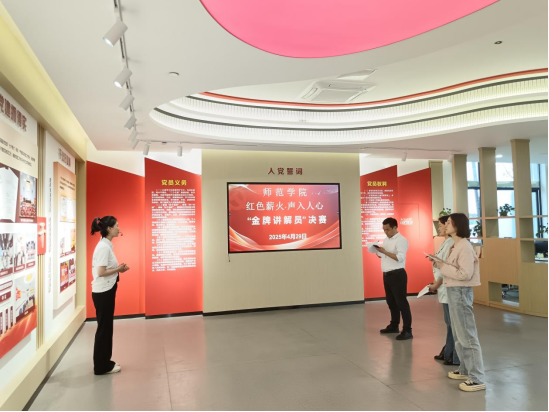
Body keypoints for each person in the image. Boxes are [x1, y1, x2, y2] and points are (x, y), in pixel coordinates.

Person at [434, 213, 486, 392]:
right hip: (453, 291)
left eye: (449, 222)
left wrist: (442, 267)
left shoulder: (464, 246)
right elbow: (454, 268)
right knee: (458, 335)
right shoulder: (455, 245)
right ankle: (465, 369)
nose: (446, 225)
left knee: (467, 336)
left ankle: (477, 378)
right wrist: (441, 264)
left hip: (461, 292)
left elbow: (465, 274)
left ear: (458, 226)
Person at [90, 216, 130, 375]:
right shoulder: (104, 248)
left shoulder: (105, 245)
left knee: (106, 328)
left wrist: (118, 269)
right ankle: (101, 366)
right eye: (116, 226)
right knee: (104, 329)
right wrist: (118, 269)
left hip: (105, 290)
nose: (119, 228)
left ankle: (105, 362)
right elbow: (101, 272)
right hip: (103, 292)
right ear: (109, 229)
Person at [429, 216, 460, 366]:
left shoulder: (455, 244)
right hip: (444, 287)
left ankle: (454, 354)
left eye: (444, 224)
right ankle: (448, 351)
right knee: (449, 323)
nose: (441, 227)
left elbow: (447, 268)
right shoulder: (446, 242)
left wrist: (436, 284)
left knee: (453, 324)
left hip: (449, 287)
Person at [375, 218, 413, 341]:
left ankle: (407, 330)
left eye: (388, 229)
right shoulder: (387, 239)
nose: (386, 232)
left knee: (402, 303)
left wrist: (385, 252)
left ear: (395, 228)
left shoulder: (401, 240)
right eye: (384, 230)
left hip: (397, 274)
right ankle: (394, 325)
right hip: (387, 274)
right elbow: (384, 255)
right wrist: (379, 252)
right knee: (391, 302)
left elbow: (400, 258)